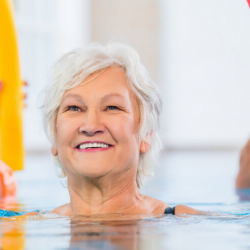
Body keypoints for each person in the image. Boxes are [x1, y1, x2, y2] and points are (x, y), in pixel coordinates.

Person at [1, 42, 200, 217]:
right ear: (54, 135)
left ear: (146, 134)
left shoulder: (187, 222)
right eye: (74, 108)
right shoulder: (26, 224)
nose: (90, 126)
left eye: (112, 107)